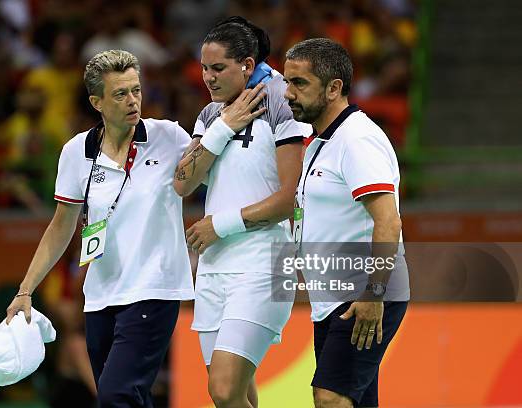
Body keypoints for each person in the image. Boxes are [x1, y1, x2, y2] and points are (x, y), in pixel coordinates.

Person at [5, 49, 195, 407]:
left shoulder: (169, 137)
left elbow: (209, 171)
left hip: (154, 288)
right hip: (101, 296)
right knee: (127, 398)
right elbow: (61, 226)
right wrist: (25, 289)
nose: (133, 100)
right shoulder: (77, 151)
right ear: (97, 102)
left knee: (116, 395)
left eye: (136, 90)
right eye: (120, 94)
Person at [173, 16, 309, 408]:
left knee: (224, 389)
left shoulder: (283, 102)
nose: (208, 78)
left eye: (218, 68)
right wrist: (224, 125)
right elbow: (183, 182)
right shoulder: (210, 115)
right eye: (204, 68)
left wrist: (221, 224)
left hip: (266, 262)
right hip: (215, 269)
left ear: (247, 65)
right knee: (234, 396)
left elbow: (289, 199)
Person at [283, 38, 410, 407]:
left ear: (334, 87)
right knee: (353, 399)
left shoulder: (357, 140)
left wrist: (374, 294)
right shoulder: (321, 139)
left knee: (331, 398)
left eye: (300, 84)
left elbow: (389, 223)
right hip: (334, 295)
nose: (289, 93)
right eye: (288, 82)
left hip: (362, 292)